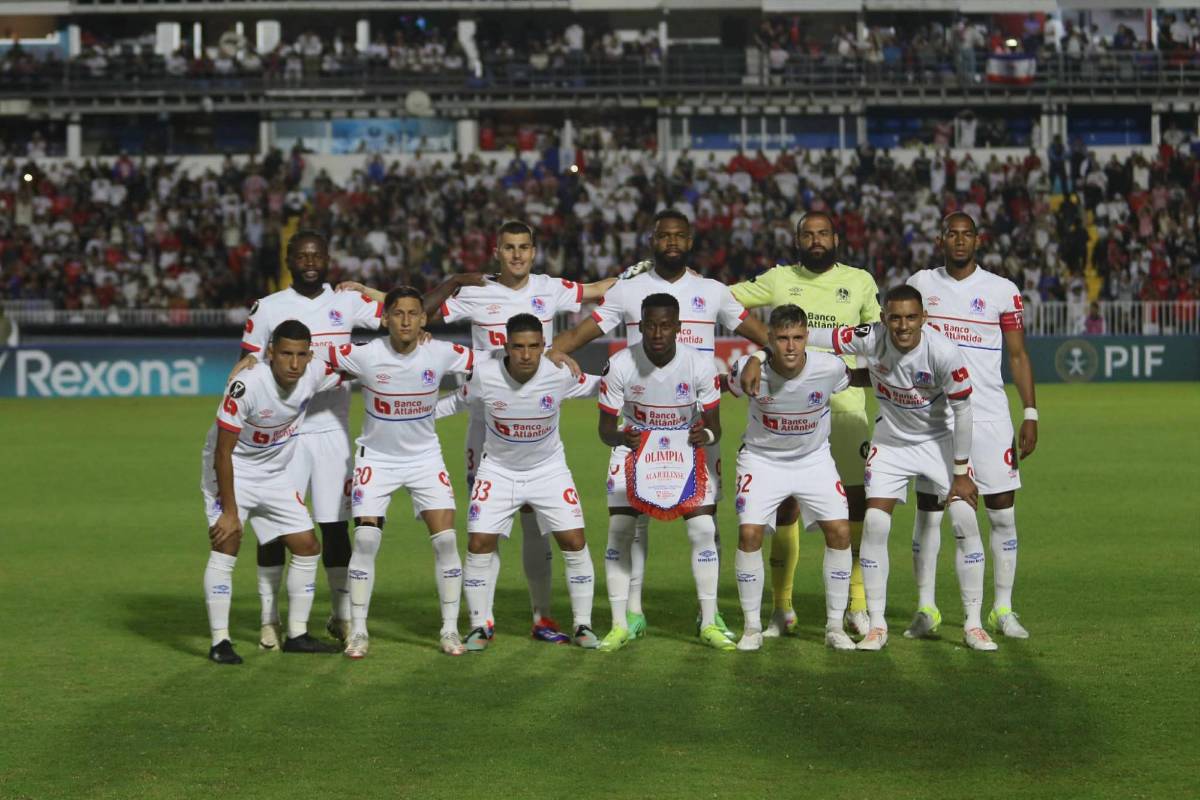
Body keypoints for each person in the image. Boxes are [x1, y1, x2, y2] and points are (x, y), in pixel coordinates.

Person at [354, 220, 615, 645]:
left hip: (534, 412)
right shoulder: (474, 293)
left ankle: (542, 616)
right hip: (483, 419)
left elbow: (599, 289)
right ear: (497, 251)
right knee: (485, 529)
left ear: (533, 251)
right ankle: (484, 619)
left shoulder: (550, 288)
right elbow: (418, 309)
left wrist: (645, 278)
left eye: (524, 248)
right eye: (509, 248)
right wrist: (372, 294)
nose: (517, 255)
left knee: (536, 524)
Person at [551, 209, 769, 641]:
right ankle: (631, 613)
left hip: (693, 425)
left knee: (704, 521)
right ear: (652, 239)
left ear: (691, 242)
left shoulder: (712, 291)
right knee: (634, 522)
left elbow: (761, 334)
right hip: (640, 424)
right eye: (664, 235)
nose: (671, 242)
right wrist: (552, 352)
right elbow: (586, 331)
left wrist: (763, 356)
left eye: (679, 236)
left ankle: (710, 617)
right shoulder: (629, 291)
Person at [813, 285, 997, 652]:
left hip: (940, 442)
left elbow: (963, 411)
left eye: (911, 317)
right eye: (895, 317)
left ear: (923, 319)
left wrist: (961, 472)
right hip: (892, 443)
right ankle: (877, 625)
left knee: (963, 519)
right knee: (876, 523)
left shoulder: (944, 351)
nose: (902, 325)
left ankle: (974, 624)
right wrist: (768, 345)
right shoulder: (871, 337)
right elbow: (818, 335)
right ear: (883, 319)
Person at [731, 211, 881, 639]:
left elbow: (879, 331)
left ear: (836, 237)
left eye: (822, 234)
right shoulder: (778, 279)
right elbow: (724, 300)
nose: (815, 240)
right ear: (796, 240)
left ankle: (856, 605)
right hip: (786, 410)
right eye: (807, 235)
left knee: (853, 506)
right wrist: (762, 349)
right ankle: (783, 607)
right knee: (784, 506)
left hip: (845, 404)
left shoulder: (860, 280)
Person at [240, 229, 384, 649]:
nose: (309, 261)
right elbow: (248, 364)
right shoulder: (267, 309)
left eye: (316, 254)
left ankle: (339, 616)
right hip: (280, 437)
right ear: (288, 259)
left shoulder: (346, 302)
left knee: (335, 527)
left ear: (327, 257)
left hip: (332, 434)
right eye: (301, 255)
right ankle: (270, 619)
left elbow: (401, 315)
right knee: (273, 530)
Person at [323, 287, 475, 658]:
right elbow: (314, 354)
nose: (405, 320)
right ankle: (357, 632)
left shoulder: (440, 352)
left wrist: (446, 406)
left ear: (424, 319)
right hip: (376, 460)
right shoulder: (365, 355)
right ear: (386, 319)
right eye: (398, 314)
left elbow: (490, 365)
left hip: (425, 459)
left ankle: (451, 630)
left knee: (446, 541)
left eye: (413, 314)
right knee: (365, 541)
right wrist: (258, 357)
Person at [906, 212, 1038, 639]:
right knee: (928, 515)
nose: (959, 242)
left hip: (990, 418)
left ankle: (1003, 608)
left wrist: (1030, 412)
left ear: (977, 241)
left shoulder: (1002, 291)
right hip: (935, 419)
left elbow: (1017, 357)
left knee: (1002, 514)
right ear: (940, 239)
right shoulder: (922, 285)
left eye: (967, 235)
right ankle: (926, 608)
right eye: (952, 234)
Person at [457, 313, 602, 651]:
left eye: (533, 347)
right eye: (518, 347)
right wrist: (416, 416)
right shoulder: (485, 375)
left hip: (548, 470)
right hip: (498, 470)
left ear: (544, 347)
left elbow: (603, 385)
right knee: (479, 542)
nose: (525, 354)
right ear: (505, 346)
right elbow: (457, 400)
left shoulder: (559, 374)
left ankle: (583, 625)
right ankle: (479, 625)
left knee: (574, 541)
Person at [202, 320, 344, 664]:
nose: (293, 363)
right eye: (285, 354)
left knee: (307, 546)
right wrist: (231, 512)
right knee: (227, 543)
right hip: (232, 469)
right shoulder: (247, 384)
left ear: (309, 355)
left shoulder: (314, 371)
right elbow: (223, 452)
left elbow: (361, 364)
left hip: (275, 473)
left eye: (300, 355)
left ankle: (297, 634)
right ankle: (220, 642)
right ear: (269, 353)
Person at [595, 293, 731, 652]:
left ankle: (708, 620)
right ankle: (623, 622)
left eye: (665, 325)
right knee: (622, 529)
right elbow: (605, 430)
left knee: (703, 528)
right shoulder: (621, 364)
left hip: (685, 451)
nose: (657, 332)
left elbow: (717, 427)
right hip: (633, 449)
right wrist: (622, 435)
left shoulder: (700, 365)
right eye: (650, 325)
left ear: (679, 328)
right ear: (640, 326)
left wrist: (707, 434)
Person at [725, 305, 858, 651]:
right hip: (761, 460)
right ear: (770, 339)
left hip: (813, 461)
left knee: (840, 531)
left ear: (807, 338)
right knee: (750, 533)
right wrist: (755, 357)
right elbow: (724, 385)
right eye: (782, 338)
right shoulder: (747, 369)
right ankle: (752, 628)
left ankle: (834, 627)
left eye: (798, 337)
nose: (790, 346)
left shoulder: (829, 368)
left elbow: (855, 376)